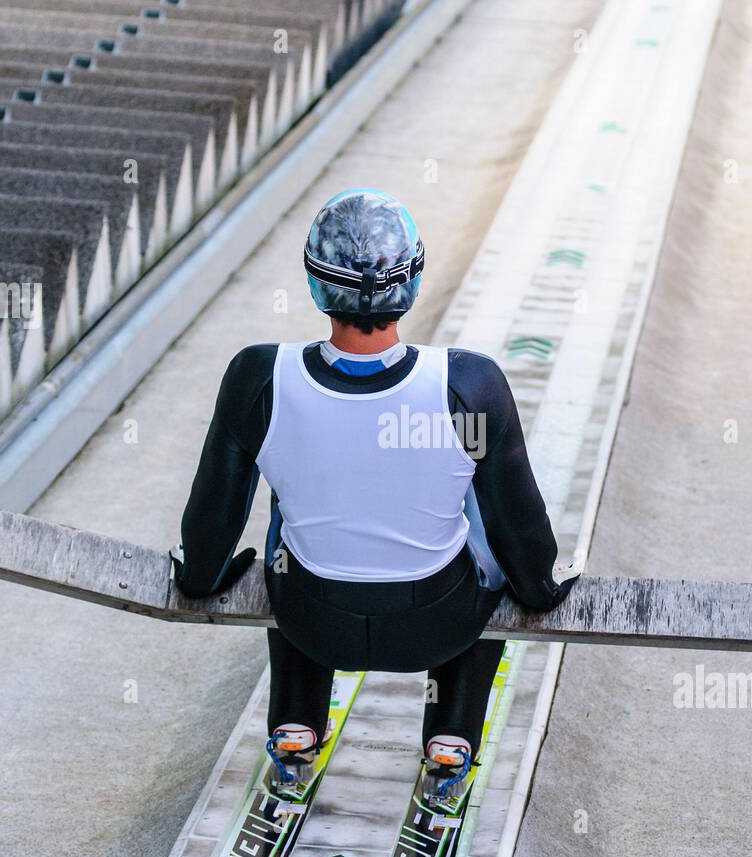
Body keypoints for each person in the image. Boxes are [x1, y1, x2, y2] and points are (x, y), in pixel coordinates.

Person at [172, 188, 576, 805]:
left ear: (315, 282)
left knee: (292, 522)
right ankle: (450, 740)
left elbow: (212, 518)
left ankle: (295, 727)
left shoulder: (260, 378)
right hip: (438, 625)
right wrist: (541, 591)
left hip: (316, 623)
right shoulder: (467, 384)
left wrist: (203, 579)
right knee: (475, 522)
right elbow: (519, 526)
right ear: (410, 281)